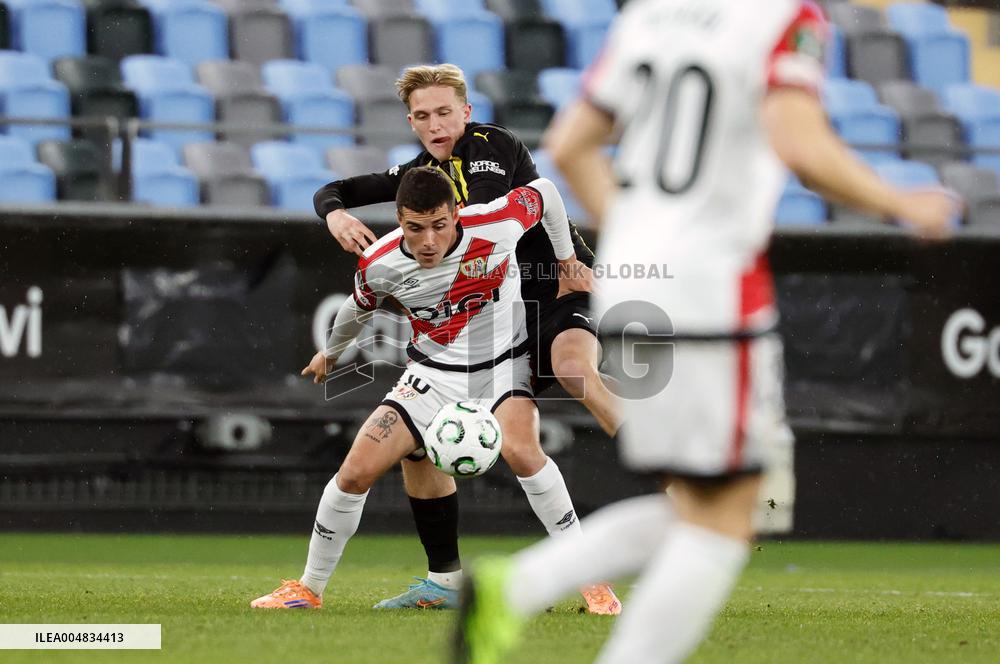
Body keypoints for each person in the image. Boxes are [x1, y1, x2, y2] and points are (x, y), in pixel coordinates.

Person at [454, 1, 959, 662]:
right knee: (730, 516)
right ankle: (529, 594)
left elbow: (571, 146)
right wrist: (900, 202)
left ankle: (516, 586)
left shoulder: (649, 16)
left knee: (706, 501)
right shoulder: (784, 15)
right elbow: (800, 143)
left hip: (639, 282)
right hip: (712, 285)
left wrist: (642, 235)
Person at [313, 64, 621, 614]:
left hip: (553, 284)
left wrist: (568, 259)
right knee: (409, 457)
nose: (436, 124)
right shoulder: (416, 180)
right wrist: (335, 216)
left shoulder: (486, 152)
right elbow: (336, 190)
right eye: (424, 115)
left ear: (467, 112)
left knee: (568, 379)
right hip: (475, 328)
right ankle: (441, 581)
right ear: (411, 122)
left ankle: (664, 467)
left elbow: (504, 209)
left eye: (445, 112)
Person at [251, 167, 613, 612]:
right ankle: (308, 589)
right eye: (414, 227)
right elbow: (358, 306)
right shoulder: (381, 261)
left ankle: (591, 582)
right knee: (355, 472)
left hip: (503, 367)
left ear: (457, 214)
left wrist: (565, 260)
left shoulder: (495, 222)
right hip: (431, 376)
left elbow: (547, 191)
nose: (427, 241)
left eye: (439, 226)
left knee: (522, 450)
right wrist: (332, 352)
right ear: (399, 220)